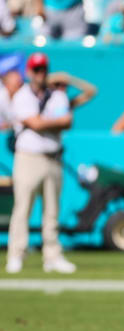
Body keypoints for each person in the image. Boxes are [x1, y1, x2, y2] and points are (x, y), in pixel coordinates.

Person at [6, 53, 76, 274]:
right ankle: (16, 254)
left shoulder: (57, 95)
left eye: (44, 69)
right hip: (28, 157)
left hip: (53, 157)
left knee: (52, 211)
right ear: (29, 72)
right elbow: (34, 123)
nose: (40, 74)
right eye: (36, 70)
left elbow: (67, 121)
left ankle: (52, 256)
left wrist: (47, 123)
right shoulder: (22, 96)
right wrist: (52, 123)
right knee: (23, 207)